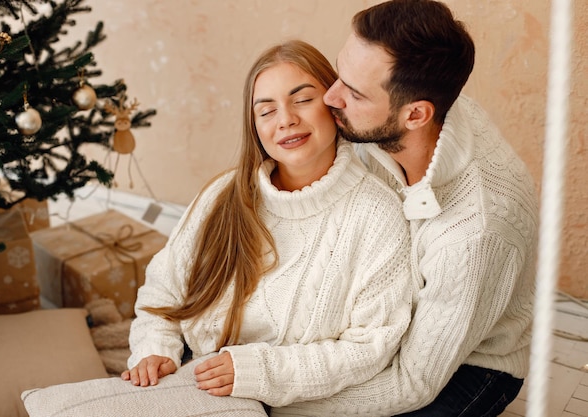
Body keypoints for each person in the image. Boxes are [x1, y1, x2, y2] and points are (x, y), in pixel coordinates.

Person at [271, 1, 539, 416]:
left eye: (354, 93)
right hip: (387, 318)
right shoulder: (393, 123)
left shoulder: (479, 229)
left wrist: (269, 401)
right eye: (340, 74)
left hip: (466, 368)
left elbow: (413, 382)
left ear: (416, 114)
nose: (330, 96)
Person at [122, 39, 414, 409]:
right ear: (254, 126)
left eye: (303, 99)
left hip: (292, 405)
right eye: (266, 110)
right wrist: (155, 350)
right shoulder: (223, 194)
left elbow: (372, 346)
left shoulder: (377, 214)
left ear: (334, 104)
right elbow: (163, 292)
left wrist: (257, 370)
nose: (286, 119)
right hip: (188, 385)